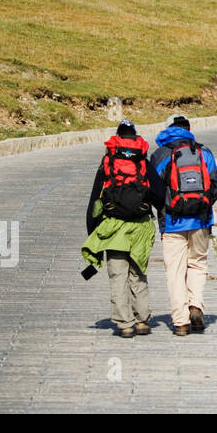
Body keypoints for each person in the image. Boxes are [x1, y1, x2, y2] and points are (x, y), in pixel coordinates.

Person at [81, 121, 156, 338]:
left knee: (118, 276)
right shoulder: (143, 162)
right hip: (140, 228)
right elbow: (159, 194)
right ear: (135, 138)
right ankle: (142, 320)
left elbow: (94, 201)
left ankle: (125, 324)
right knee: (138, 273)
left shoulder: (108, 162)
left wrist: (92, 233)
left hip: (113, 228)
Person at [148, 114, 217, 337]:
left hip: (172, 222)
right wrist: (203, 207)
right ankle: (196, 306)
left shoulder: (160, 154)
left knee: (175, 272)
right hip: (200, 220)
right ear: (188, 129)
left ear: (168, 128)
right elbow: (215, 186)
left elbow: (154, 191)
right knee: (197, 264)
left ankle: (180, 322)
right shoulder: (203, 152)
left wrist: (164, 210)